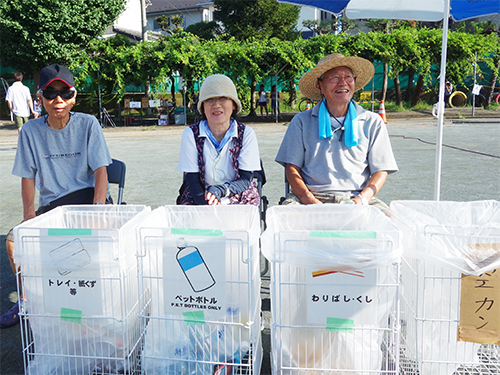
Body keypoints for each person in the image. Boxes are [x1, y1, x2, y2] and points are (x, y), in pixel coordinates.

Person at [0, 64, 112, 328]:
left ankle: (105, 298)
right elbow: (27, 177)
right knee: (15, 241)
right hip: (53, 206)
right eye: (50, 93)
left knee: (104, 242)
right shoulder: (29, 131)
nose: (58, 100)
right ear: (40, 98)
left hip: (87, 200)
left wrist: (97, 210)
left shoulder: (88, 123)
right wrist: (29, 216)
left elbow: (101, 172)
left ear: (74, 96)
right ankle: (27, 299)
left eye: (65, 92)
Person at [275, 53, 398, 215]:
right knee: (281, 220)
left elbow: (381, 170)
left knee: (392, 225)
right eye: (334, 77)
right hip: (311, 196)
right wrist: (309, 200)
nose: (343, 83)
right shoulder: (301, 121)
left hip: (357, 196)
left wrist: (361, 199)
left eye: (348, 77)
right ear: (320, 86)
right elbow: (292, 168)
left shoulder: (372, 121)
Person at [177, 74, 261, 206]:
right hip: (201, 194)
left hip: (237, 193)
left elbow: (245, 180)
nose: (216, 105)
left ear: (233, 105)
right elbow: (192, 180)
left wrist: (222, 191)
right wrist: (206, 208)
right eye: (209, 100)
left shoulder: (246, 134)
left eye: (223, 98)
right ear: (203, 107)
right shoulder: (191, 134)